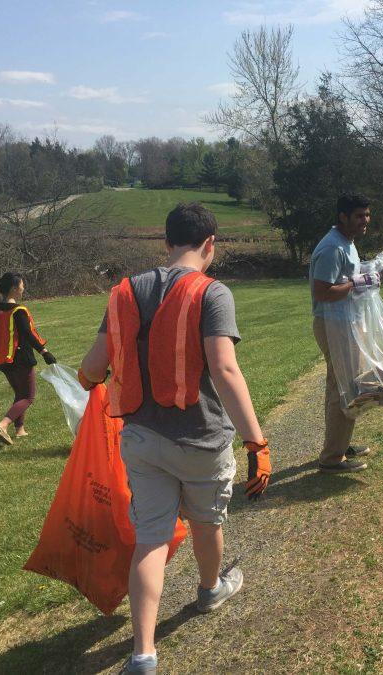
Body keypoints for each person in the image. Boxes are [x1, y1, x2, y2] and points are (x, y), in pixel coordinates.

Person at [79, 203, 272, 675]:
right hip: (201, 439)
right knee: (207, 521)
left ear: (166, 243)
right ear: (210, 245)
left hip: (141, 438)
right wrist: (257, 442)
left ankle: (143, 653)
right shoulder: (213, 293)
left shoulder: (124, 291)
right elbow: (224, 369)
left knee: (150, 538)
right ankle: (209, 590)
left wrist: (90, 382)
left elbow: (91, 369)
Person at [309, 193, 380, 474]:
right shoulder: (332, 247)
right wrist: (357, 282)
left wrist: (366, 272)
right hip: (333, 324)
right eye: (360, 216)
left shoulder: (346, 243)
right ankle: (331, 458)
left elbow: (343, 277)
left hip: (344, 322)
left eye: (367, 215)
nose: (366, 221)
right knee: (344, 390)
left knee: (342, 387)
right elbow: (323, 292)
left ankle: (338, 444)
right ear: (343, 217)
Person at [0, 272, 56, 445]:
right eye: (22, 285)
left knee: (20, 394)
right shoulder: (18, 311)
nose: (24, 288)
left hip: (4, 361)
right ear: (15, 289)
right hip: (21, 359)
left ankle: (20, 430)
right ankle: (2, 425)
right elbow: (28, 334)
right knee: (29, 397)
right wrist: (44, 352)